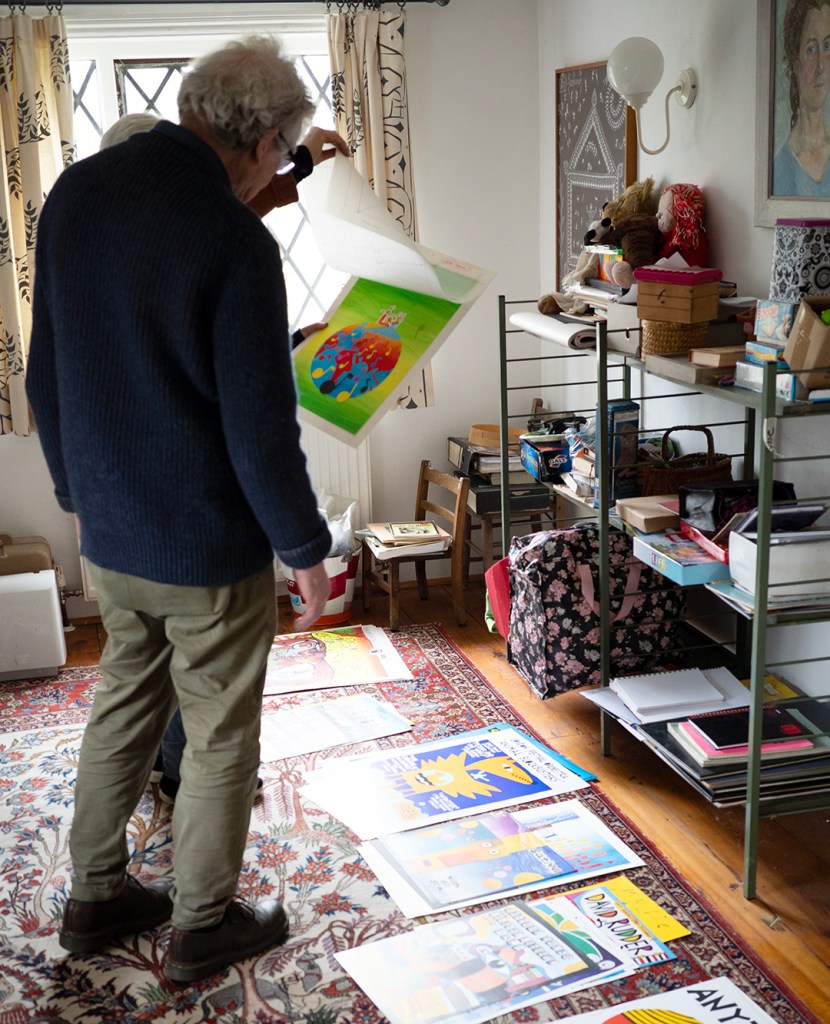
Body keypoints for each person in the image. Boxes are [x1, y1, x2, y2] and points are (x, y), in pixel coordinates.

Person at [27, 35, 338, 983]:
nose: (276, 178)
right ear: (261, 142)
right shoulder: (235, 244)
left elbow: (47, 375)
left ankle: (94, 896)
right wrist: (306, 548)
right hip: (206, 549)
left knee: (123, 704)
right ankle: (204, 923)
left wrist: (77, 495)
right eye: (283, 160)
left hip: (109, 533)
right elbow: (257, 428)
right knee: (218, 733)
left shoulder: (76, 194)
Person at [95, 112, 346, 805]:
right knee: (189, 660)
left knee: (150, 664)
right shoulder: (142, 245)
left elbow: (239, 205)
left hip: (119, 512)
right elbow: (211, 380)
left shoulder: (129, 226)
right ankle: (183, 774)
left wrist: (302, 164)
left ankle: (160, 772)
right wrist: (303, 546)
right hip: (169, 504)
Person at [773, 0, 830, 196]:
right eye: (811, 50)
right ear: (795, 62)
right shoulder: (780, 170)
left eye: (827, 46)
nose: (821, 66)